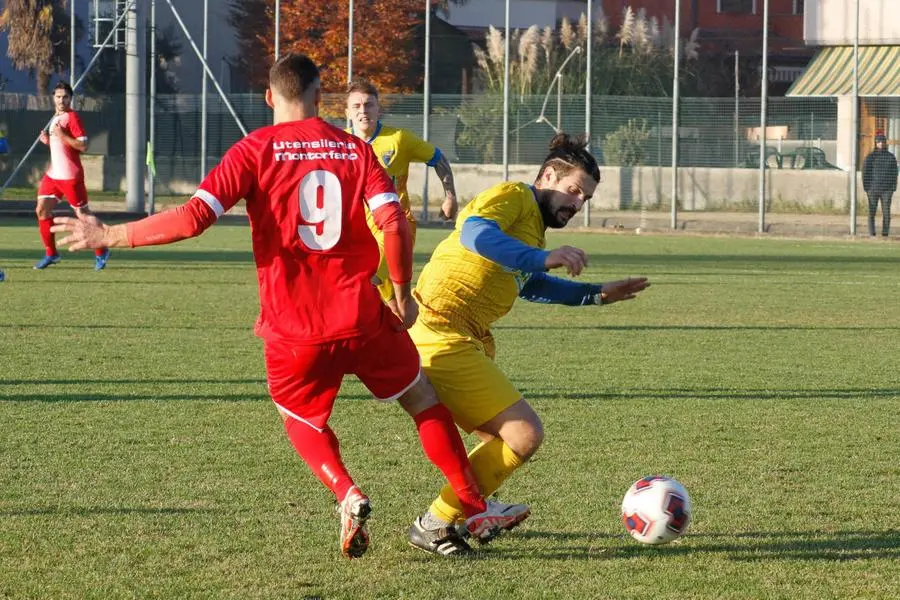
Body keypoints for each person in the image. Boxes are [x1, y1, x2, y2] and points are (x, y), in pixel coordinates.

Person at [51, 53, 527, 560]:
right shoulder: (354, 149)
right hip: (363, 315)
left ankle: (347, 490)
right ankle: (474, 505)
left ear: (268, 96)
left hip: (293, 328)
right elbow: (394, 222)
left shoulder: (253, 150)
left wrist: (111, 233)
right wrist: (404, 293)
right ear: (321, 97)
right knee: (423, 400)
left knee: (300, 418)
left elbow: (192, 218)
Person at [405, 133, 651, 556]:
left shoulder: (532, 229)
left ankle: (470, 509)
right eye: (573, 191)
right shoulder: (514, 196)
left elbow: (530, 283)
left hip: (461, 336)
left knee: (500, 439)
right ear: (548, 175)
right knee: (523, 434)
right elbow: (474, 234)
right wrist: (542, 257)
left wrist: (595, 294)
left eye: (584, 199)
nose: (576, 204)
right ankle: (436, 522)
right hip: (438, 329)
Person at [345, 80, 458, 308]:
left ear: (378, 109)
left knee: (363, 282)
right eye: (356, 106)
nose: (363, 111)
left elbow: (438, 158)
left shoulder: (398, 139)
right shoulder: (341, 144)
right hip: (359, 233)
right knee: (394, 307)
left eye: (368, 105)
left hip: (396, 227)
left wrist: (450, 197)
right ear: (347, 112)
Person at [35, 82, 110, 270]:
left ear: (70, 99)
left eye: (65, 97)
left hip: (70, 176)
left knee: (83, 214)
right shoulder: (57, 117)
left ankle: (102, 249)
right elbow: (64, 149)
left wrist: (60, 135)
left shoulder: (72, 117)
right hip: (53, 176)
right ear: (53, 98)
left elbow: (83, 146)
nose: (61, 100)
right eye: (58, 96)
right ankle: (51, 254)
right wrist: (49, 141)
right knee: (41, 210)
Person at [862, 130, 898, 238]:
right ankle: (872, 234)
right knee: (872, 212)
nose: (881, 144)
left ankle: (885, 234)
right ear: (875, 143)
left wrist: (893, 188)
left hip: (887, 190)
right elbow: (865, 173)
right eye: (878, 142)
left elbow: (894, 173)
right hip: (873, 189)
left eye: (882, 142)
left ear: (885, 143)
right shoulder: (870, 157)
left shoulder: (891, 157)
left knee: (886, 213)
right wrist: (867, 188)